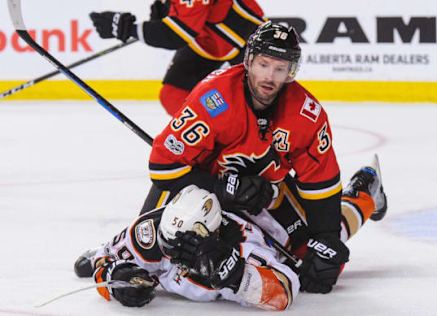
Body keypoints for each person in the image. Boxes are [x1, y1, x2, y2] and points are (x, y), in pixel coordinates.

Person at [75, 21, 388, 295]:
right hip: (198, 189)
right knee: (158, 248)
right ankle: (114, 253)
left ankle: (363, 195)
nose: (270, 76)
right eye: (264, 64)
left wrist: (327, 240)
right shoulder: (214, 99)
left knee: (312, 259)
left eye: (280, 69)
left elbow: (319, 185)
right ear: (249, 61)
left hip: (269, 196)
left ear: (291, 71)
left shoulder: (306, 114)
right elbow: (164, 167)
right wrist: (222, 187)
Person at [90, 185, 299, 310]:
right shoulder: (150, 230)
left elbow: (286, 289)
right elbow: (103, 259)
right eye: (167, 239)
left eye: (181, 245)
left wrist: (236, 275)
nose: (170, 252)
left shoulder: (243, 243)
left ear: (210, 235)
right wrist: (117, 277)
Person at [89, 0, 266, 115]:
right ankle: (217, 139)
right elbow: (178, 17)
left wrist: (129, 29)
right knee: (174, 95)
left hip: (248, 37)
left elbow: (177, 34)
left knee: (262, 106)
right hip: (206, 41)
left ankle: (248, 142)